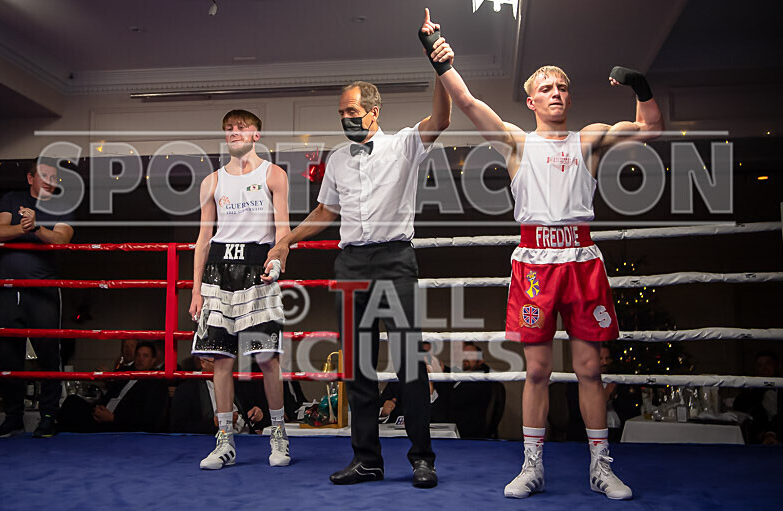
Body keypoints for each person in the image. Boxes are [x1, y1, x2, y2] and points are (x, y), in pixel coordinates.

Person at [420, 10, 663, 500]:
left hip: (581, 259)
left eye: (562, 88)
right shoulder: (516, 142)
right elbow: (466, 101)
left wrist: (641, 87)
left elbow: (651, 128)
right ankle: (533, 466)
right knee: (535, 370)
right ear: (531, 100)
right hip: (534, 263)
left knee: (591, 369)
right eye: (546, 88)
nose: (556, 93)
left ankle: (601, 466)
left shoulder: (589, 138)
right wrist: (439, 54)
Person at [264, 14, 452, 488]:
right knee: (358, 367)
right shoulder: (336, 160)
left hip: (394, 259)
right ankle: (367, 458)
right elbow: (327, 212)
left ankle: (421, 459)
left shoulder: (405, 145)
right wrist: (286, 239)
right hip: (350, 263)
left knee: (409, 361)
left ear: (372, 112)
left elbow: (442, 118)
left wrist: (438, 63)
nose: (344, 118)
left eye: (350, 111)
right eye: (340, 112)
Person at [189, 109, 291, 470]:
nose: (235, 132)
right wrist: (196, 290)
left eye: (242, 127)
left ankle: (278, 435)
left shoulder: (273, 174)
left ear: (256, 135)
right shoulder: (212, 182)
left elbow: (283, 228)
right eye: (229, 128)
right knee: (220, 359)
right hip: (218, 272)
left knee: (267, 357)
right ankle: (225, 441)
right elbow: (203, 239)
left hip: (257, 269)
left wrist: (278, 260)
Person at [0, 160, 74, 439]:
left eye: (54, 176)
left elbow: (61, 240)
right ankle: (13, 416)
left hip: (44, 289)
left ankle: (49, 415)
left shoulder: (62, 205)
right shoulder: (11, 199)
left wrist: (36, 227)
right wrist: (24, 227)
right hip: (8, 289)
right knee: (8, 354)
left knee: (49, 352)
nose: (50, 180)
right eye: (44, 175)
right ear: (30, 178)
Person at [58, 342, 169, 433]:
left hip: (119, 424)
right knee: (72, 401)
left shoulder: (155, 383)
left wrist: (113, 418)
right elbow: (110, 394)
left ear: (153, 360)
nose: (140, 359)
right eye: (138, 355)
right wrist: (98, 408)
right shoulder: (124, 374)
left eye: (145, 356)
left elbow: (146, 418)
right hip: (103, 413)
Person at [170, 356, 270, 434]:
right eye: (218, 363)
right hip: (210, 441)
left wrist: (258, 416)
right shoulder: (188, 389)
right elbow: (178, 427)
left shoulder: (239, 384)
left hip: (245, 437)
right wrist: (214, 423)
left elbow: (256, 415)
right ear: (203, 363)